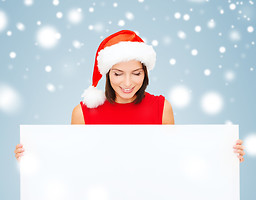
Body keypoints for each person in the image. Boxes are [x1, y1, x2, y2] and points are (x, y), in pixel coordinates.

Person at [14, 29, 245, 162]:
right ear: (107, 73)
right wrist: (34, 154)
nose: (127, 83)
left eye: (136, 73)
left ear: (145, 72)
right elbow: (72, 162)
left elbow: (176, 158)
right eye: (118, 74)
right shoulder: (83, 113)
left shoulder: (161, 107)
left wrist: (224, 152)